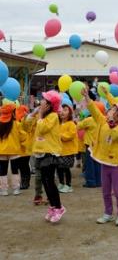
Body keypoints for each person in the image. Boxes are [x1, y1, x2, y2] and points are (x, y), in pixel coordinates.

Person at [82, 88, 118, 226]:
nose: (110, 111)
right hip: (104, 162)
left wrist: (111, 124)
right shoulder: (102, 120)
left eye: (114, 111)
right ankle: (108, 213)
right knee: (105, 190)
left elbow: (117, 136)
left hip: (116, 164)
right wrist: (87, 97)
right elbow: (94, 110)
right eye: (111, 109)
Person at [30, 90, 65, 223]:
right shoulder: (44, 116)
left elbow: (43, 128)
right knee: (45, 181)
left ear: (50, 105)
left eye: (44, 100)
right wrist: (37, 115)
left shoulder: (53, 116)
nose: (42, 101)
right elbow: (34, 128)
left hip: (50, 152)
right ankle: (52, 206)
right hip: (42, 151)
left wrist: (39, 114)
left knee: (50, 181)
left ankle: (59, 207)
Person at [0, 104, 27, 196]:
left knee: (2, 171)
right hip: (14, 150)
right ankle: (16, 188)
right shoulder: (17, 124)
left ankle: (3, 190)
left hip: (1, 151)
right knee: (15, 170)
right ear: (12, 113)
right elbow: (23, 137)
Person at [77, 103, 104, 188]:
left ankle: (90, 182)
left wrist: (80, 119)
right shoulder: (103, 119)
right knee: (98, 164)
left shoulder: (89, 119)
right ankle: (99, 181)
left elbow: (78, 126)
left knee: (89, 164)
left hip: (89, 145)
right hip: (99, 145)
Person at [57, 101, 78, 193]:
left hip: (68, 151)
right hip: (58, 150)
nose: (62, 112)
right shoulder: (58, 124)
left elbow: (69, 136)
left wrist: (59, 135)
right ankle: (61, 183)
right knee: (59, 168)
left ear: (70, 113)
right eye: (61, 110)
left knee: (66, 168)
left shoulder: (71, 124)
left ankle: (68, 185)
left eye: (65, 110)